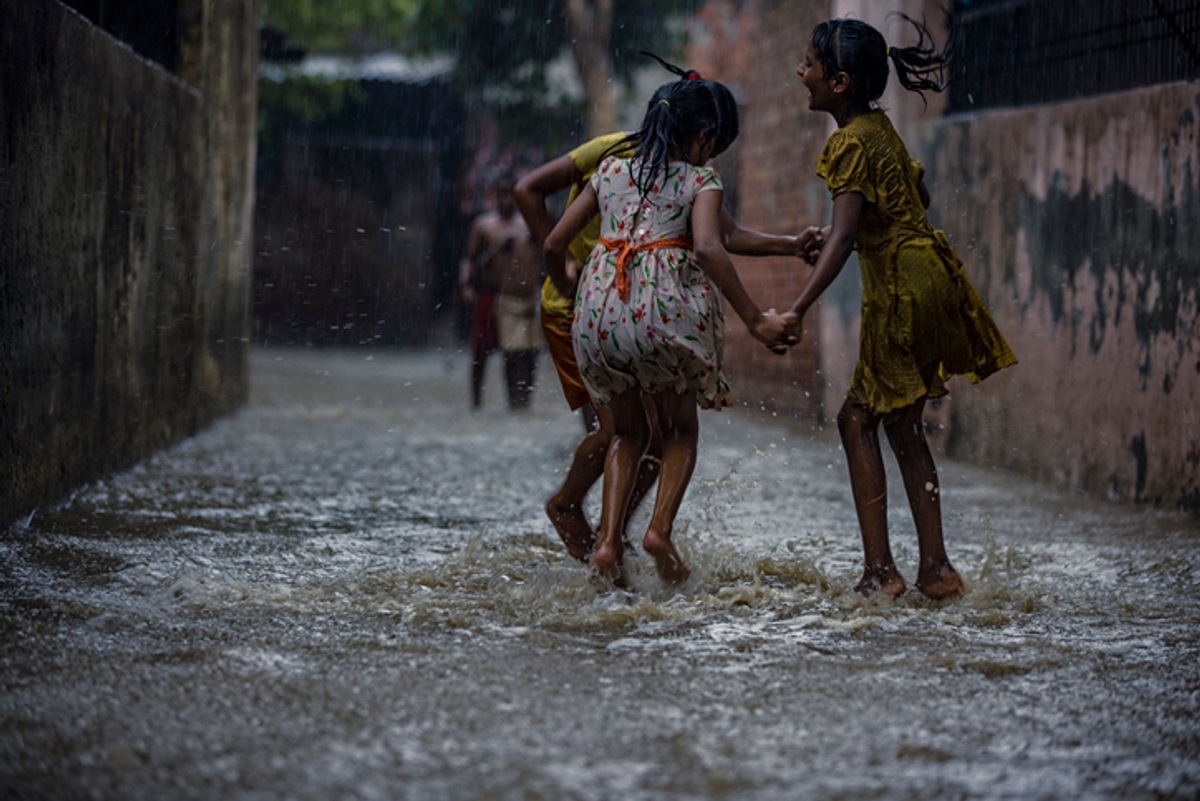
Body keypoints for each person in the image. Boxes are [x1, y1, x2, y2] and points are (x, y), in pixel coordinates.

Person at [517, 60, 823, 566]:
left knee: (627, 432)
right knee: (680, 429)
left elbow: (553, 242)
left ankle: (609, 545)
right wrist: (754, 319)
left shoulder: (612, 169)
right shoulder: (700, 178)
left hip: (598, 320)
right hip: (665, 318)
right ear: (703, 135)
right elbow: (709, 246)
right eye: (718, 144)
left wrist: (570, 286)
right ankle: (659, 532)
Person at [787, 16, 1017, 599]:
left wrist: (796, 307)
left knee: (854, 420)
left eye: (809, 65)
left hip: (900, 288)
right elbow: (918, 197)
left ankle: (879, 572)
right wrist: (857, 225)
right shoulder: (880, 130)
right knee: (904, 426)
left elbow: (841, 242)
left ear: (838, 81)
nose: (800, 72)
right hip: (934, 274)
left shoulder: (846, 142)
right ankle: (936, 569)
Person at [459, 175, 539, 409]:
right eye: (501, 194)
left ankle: (521, 405)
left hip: (522, 298)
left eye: (510, 194)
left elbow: (542, 259)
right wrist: (465, 286)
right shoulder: (484, 225)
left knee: (524, 352)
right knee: (482, 352)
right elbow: (470, 261)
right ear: (494, 196)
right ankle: (476, 405)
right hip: (491, 294)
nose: (506, 199)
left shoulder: (528, 225)